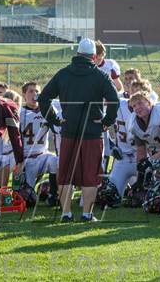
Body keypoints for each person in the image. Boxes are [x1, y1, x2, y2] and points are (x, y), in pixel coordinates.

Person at [38, 38, 119, 222]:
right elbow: (114, 100)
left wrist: (55, 119)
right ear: (93, 56)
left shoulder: (63, 74)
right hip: (92, 132)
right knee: (91, 174)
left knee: (65, 174)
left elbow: (43, 98)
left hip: (69, 131)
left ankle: (66, 213)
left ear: (77, 54)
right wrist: (106, 121)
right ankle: (87, 214)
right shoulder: (100, 76)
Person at [19, 82, 59, 205]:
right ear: (24, 95)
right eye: (30, 91)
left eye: (37, 91)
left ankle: (53, 194)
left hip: (42, 155)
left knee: (55, 161)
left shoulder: (47, 111)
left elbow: (58, 131)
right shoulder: (19, 112)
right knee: (29, 200)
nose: (34, 94)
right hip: (26, 159)